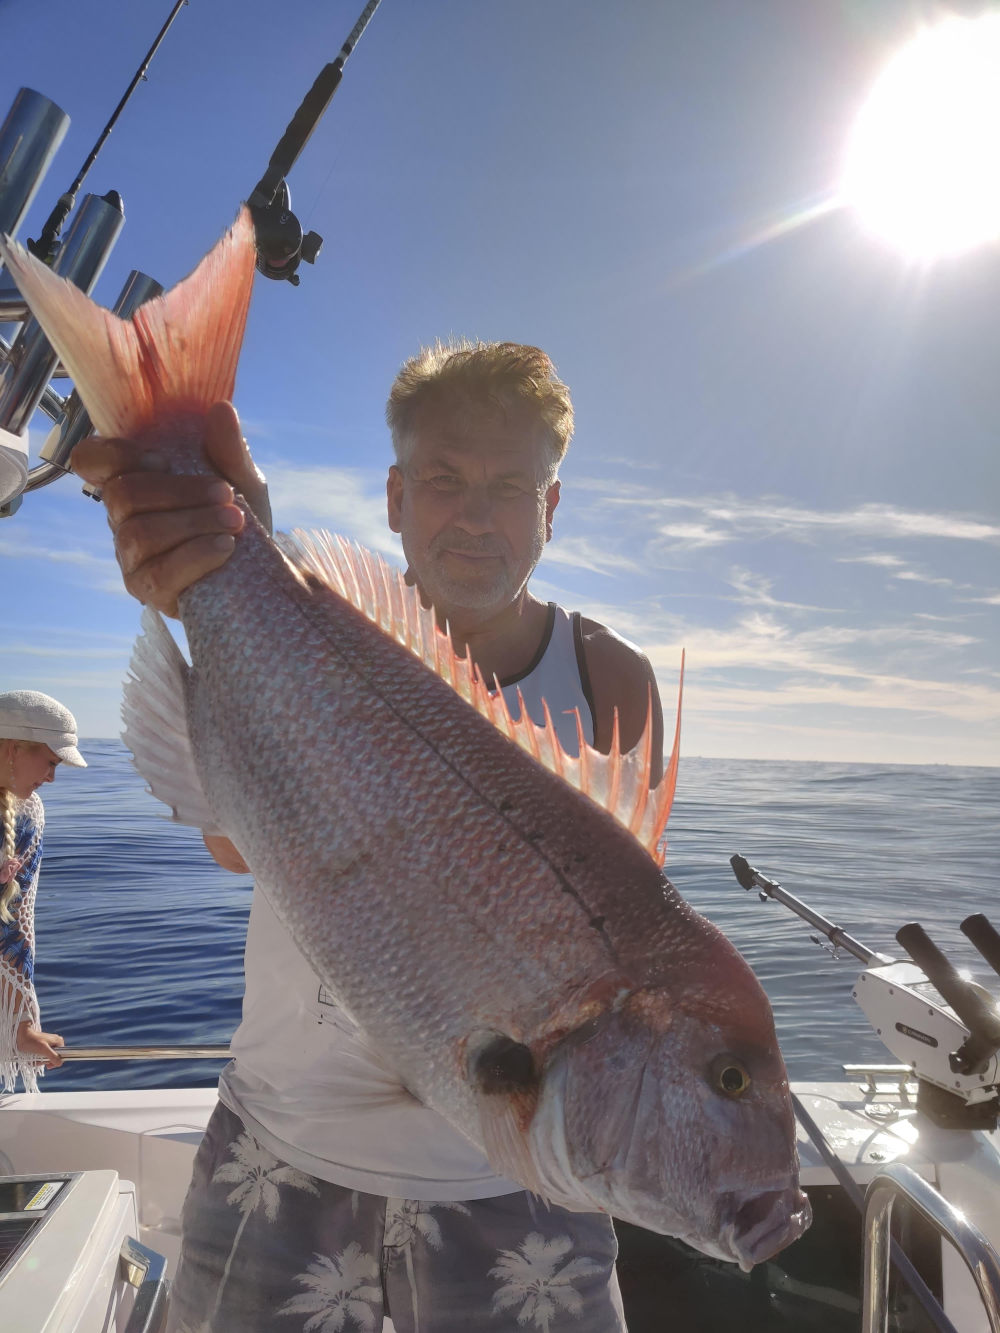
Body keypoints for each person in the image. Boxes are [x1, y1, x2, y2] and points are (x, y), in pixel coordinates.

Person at [73, 341, 665, 1333]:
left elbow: (616, 945)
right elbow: (233, 846)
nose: (476, 513)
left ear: (551, 510)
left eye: (510, 485)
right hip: (282, 1142)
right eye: (443, 479)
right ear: (393, 496)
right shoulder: (308, 619)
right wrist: (212, 548)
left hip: (518, 1179)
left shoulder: (610, 682)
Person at [0, 690, 87, 1092]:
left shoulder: (25, 816)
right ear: (14, 748)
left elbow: (12, 927)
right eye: (51, 761)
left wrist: (18, 1024)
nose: (52, 777)